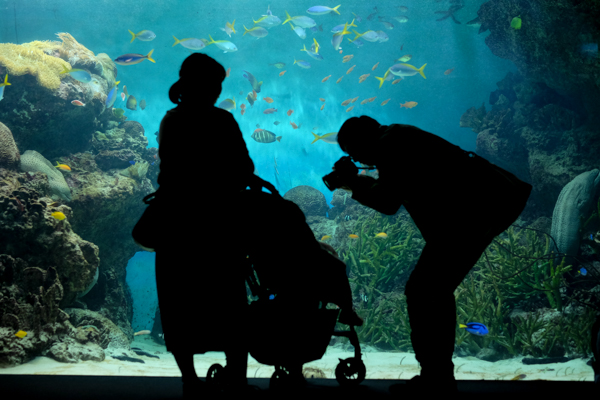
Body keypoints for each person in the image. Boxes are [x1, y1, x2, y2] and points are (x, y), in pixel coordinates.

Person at [329, 116, 532, 393]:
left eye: (353, 152)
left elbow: (388, 202)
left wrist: (353, 182)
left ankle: (436, 379)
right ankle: (438, 377)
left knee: (424, 290)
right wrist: (357, 181)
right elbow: (396, 190)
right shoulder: (397, 137)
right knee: (432, 290)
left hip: (478, 211)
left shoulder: (390, 146)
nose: (357, 158)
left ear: (360, 142)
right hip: (485, 205)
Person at [154, 53, 256, 396]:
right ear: (203, 85)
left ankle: (190, 382)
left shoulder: (171, 120)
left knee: (178, 300)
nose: (217, 91)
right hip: (219, 225)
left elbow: (169, 171)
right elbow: (244, 168)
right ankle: (238, 382)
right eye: (215, 85)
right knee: (229, 302)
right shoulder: (223, 121)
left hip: (177, 224)